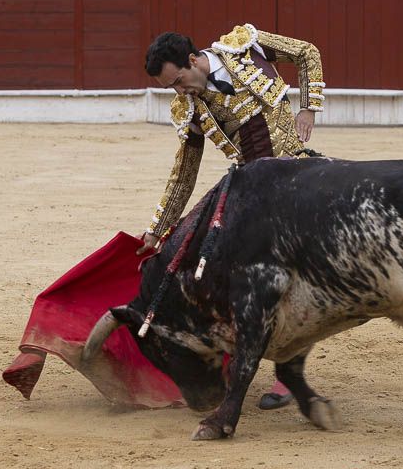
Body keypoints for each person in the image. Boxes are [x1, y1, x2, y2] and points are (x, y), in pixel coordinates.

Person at [140, 26, 326, 410]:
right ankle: (217, 362)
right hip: (252, 194)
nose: (180, 91)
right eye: (171, 88)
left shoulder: (244, 48)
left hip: (297, 180)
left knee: (291, 280)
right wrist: (157, 230)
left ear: (193, 60)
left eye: (179, 81)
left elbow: (306, 51)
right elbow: (184, 172)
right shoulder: (191, 109)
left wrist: (308, 107)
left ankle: (287, 373)